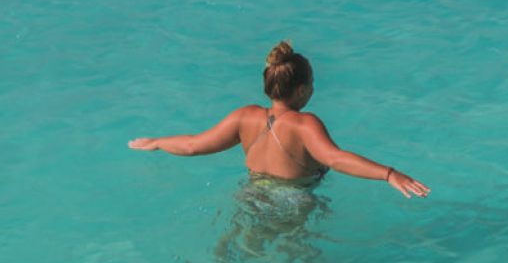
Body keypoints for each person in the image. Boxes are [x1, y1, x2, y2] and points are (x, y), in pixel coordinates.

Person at [128, 41, 430, 198]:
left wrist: (157, 142)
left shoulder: (244, 116)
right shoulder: (304, 124)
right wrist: (389, 174)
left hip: (250, 194)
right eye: (312, 82)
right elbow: (335, 159)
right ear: (301, 90)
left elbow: (194, 145)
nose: (314, 88)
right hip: (292, 201)